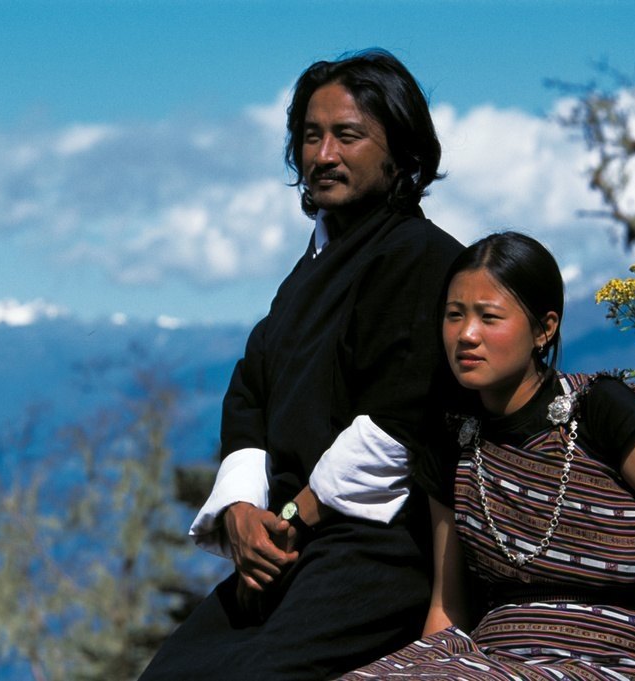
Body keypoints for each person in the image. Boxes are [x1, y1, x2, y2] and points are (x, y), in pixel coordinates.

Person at [138, 49, 463, 680]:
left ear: (401, 152)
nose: (322, 155)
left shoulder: (421, 258)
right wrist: (238, 511)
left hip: (372, 551)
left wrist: (289, 518)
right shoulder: (308, 270)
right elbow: (251, 389)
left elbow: (399, 417)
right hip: (282, 549)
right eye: (310, 136)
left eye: (348, 135)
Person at [340, 231, 635, 680]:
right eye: (454, 315)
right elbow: (448, 605)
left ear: (544, 329)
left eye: (489, 317)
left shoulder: (598, 409)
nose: (466, 335)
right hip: (490, 660)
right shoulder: (450, 442)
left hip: (605, 659)